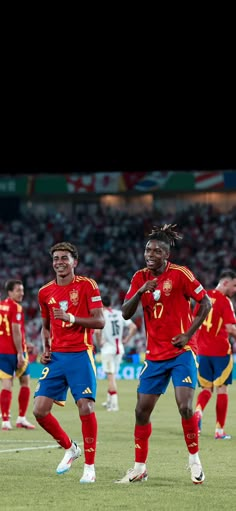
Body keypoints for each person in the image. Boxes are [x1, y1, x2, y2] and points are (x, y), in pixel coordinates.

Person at [115, 224, 211, 485]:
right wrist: (140, 291)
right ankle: (139, 467)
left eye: (157, 251)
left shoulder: (180, 274)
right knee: (140, 411)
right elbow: (125, 313)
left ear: (166, 255)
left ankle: (194, 461)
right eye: (148, 249)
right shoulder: (139, 278)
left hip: (181, 353)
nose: (151, 254)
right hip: (154, 356)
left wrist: (188, 335)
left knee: (185, 406)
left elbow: (206, 302)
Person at [33, 241, 105, 483]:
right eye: (56, 258)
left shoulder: (87, 286)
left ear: (75, 261)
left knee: (86, 406)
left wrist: (71, 317)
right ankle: (70, 447)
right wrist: (45, 350)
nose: (59, 262)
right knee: (40, 411)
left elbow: (100, 322)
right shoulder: (45, 292)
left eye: (64, 258)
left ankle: (90, 467)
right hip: (57, 357)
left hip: (80, 354)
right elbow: (45, 327)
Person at [194, 269, 236, 439]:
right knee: (222, 389)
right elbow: (230, 328)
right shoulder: (225, 302)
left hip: (202, 352)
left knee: (206, 388)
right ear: (225, 283)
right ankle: (219, 431)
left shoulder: (202, 297)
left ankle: (197, 412)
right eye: (234, 286)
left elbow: (194, 322)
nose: (235, 290)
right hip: (220, 352)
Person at [0, 279, 36, 430]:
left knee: (6, 384)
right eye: (18, 290)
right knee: (25, 382)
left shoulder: (1, 305)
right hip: (14, 352)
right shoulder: (17, 308)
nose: (22, 293)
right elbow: (15, 330)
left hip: (2, 351)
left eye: (22, 290)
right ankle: (21, 418)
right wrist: (20, 352)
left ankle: (6, 421)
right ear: (10, 292)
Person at [95, 295, 137, 411]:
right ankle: (109, 400)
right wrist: (127, 340)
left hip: (108, 349)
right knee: (113, 376)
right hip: (119, 348)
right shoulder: (119, 313)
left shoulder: (101, 315)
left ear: (101, 305)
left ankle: (114, 405)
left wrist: (99, 343)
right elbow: (133, 327)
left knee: (110, 377)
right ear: (111, 304)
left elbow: (97, 332)